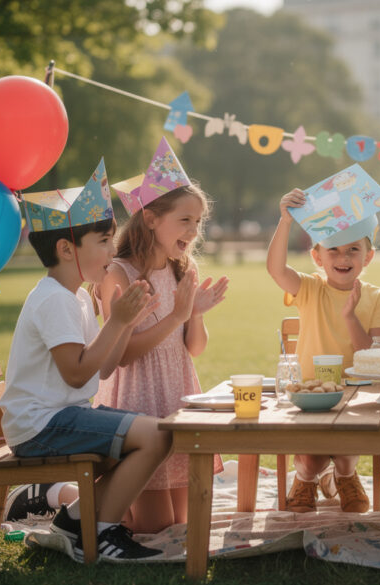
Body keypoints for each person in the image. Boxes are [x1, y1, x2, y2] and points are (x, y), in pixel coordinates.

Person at [0, 161, 172, 562]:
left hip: (60, 417)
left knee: (153, 433)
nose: (113, 252)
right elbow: (77, 373)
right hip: (43, 425)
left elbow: (104, 367)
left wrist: (125, 324)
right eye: (104, 241)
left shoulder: (74, 296)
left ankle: (75, 520)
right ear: (66, 249)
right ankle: (95, 531)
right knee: (156, 435)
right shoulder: (55, 299)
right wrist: (117, 321)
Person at [94, 138, 228, 534]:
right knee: (155, 528)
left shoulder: (182, 270)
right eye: (185, 220)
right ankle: (64, 497)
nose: (195, 230)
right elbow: (119, 357)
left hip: (176, 395)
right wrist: (175, 316)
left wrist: (195, 315)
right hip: (135, 401)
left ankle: (87, 496)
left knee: (180, 526)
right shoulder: (119, 274)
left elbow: (195, 349)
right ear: (150, 218)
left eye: (198, 221)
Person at [266, 168, 380, 513]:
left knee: (346, 447)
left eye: (353, 250)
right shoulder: (309, 289)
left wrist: (351, 316)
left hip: (355, 395)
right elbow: (277, 270)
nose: (343, 258)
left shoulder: (377, 297)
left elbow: (375, 358)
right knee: (309, 458)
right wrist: (285, 221)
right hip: (309, 394)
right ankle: (307, 478)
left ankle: (345, 475)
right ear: (317, 257)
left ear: (368, 257)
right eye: (333, 250)